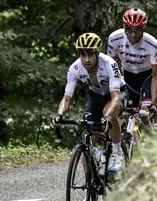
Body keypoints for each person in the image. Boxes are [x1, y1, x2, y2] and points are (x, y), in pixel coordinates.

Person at [52, 33, 127, 173]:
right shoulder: (75, 68)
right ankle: (90, 188)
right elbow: (67, 98)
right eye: (83, 54)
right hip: (96, 96)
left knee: (108, 113)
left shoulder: (109, 64)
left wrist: (107, 116)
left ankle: (117, 154)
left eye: (90, 55)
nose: (86, 59)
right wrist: (59, 114)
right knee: (87, 139)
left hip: (118, 93)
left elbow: (116, 97)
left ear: (97, 54)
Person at [107, 8, 157, 112]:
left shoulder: (152, 44)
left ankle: (150, 128)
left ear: (144, 28)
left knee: (145, 111)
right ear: (124, 27)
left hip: (147, 76)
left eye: (138, 30)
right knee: (128, 113)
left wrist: (153, 104)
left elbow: (156, 75)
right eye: (129, 29)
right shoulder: (114, 38)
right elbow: (109, 66)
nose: (133, 34)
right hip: (128, 75)